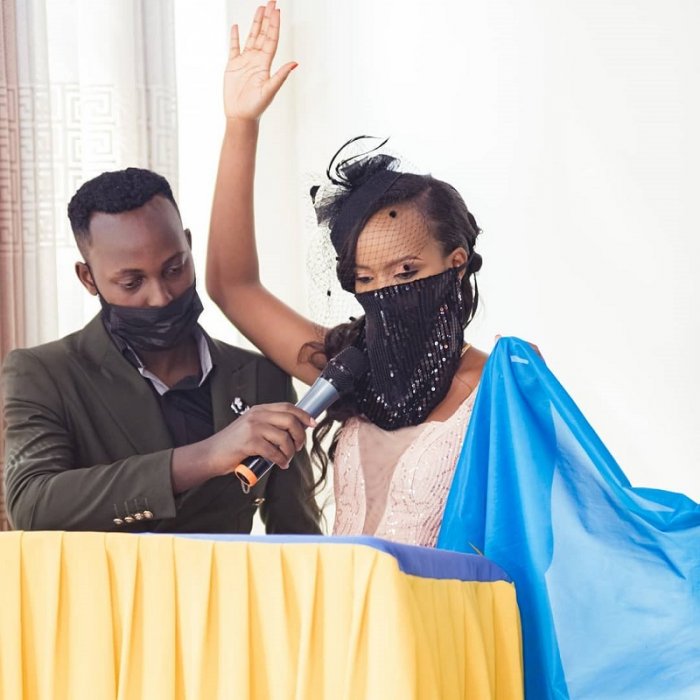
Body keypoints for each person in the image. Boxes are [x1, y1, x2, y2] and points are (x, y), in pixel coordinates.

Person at [206, 1, 490, 546]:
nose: (385, 291)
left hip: (441, 603)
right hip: (339, 600)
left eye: (406, 270)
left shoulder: (497, 386)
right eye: (365, 279)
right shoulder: (350, 369)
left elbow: (553, 530)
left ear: (455, 263)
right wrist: (241, 124)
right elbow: (232, 286)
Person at [2, 166, 321, 534]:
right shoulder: (44, 373)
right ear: (88, 278)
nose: (161, 296)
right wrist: (206, 456)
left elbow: (298, 537)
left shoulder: (262, 377)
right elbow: (31, 505)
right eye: (132, 282)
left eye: (174, 269)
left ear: (188, 244)